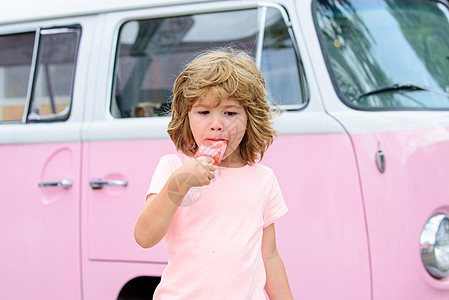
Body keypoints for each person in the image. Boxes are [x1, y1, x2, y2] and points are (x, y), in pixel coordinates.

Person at [134, 47, 293, 299]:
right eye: (203, 112)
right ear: (186, 118)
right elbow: (144, 236)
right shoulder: (172, 167)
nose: (216, 123)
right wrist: (180, 182)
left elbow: (269, 255)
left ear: (250, 118)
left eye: (230, 113)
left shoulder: (263, 179)